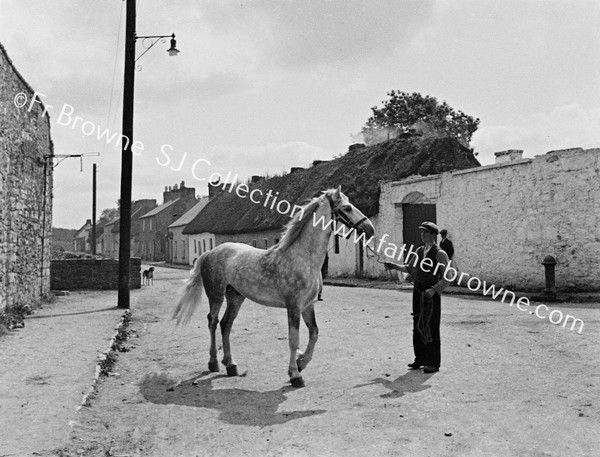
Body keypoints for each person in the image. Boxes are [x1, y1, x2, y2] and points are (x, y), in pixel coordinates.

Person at [385, 222, 450, 373]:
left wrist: (434, 290)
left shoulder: (440, 254)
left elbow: (447, 277)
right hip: (418, 291)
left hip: (430, 294)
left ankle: (433, 362)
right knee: (417, 325)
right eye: (421, 232)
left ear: (434, 235)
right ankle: (420, 359)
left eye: (426, 232)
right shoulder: (420, 251)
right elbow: (410, 268)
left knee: (431, 327)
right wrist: (393, 266)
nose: (422, 235)